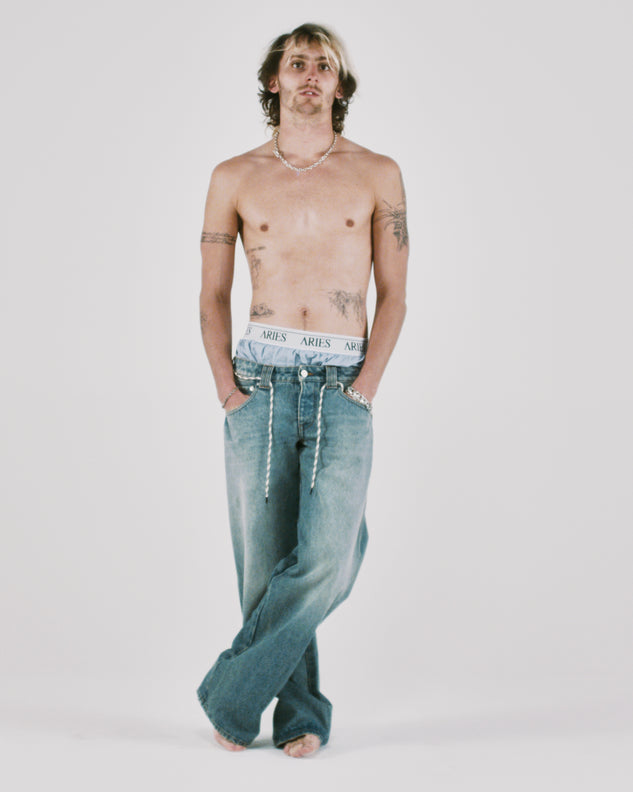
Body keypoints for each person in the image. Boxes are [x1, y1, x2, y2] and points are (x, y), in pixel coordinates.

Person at [196, 22, 408, 758]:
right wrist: (227, 390)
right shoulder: (234, 175)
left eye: (324, 65)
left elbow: (396, 295)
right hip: (258, 381)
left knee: (329, 557)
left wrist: (365, 387)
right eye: (297, 63)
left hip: (343, 384)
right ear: (274, 80)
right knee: (264, 565)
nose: (310, 74)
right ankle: (301, 716)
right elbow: (211, 294)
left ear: (340, 85)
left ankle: (229, 693)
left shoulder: (377, 172)